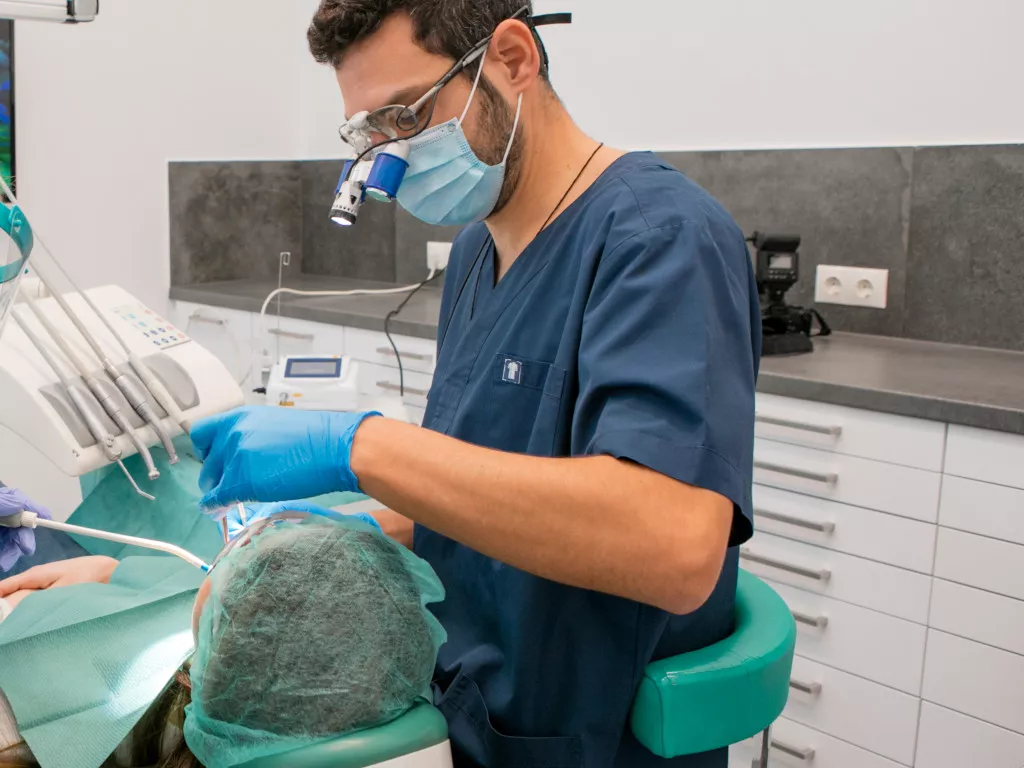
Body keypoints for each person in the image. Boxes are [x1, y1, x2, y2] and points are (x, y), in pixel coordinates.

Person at [191, 2, 761, 766]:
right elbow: (495, 486)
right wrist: (343, 535)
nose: (389, 158)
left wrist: (361, 447)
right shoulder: (474, 253)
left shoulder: (659, 238)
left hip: (587, 741)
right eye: (369, 131)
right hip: (469, 715)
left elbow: (674, 548)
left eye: (405, 116)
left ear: (513, 58)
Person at [0, 508, 445, 768]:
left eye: (235, 569)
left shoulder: (47, 712)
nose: (242, 545)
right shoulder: (354, 675)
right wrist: (116, 574)